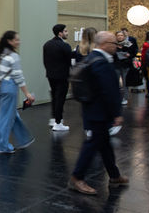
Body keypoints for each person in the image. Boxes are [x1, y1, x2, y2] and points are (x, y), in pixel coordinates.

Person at [68, 31, 128, 195]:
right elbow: (109, 90)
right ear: (104, 44)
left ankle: (114, 176)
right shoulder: (101, 62)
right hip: (99, 111)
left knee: (104, 144)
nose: (116, 46)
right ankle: (77, 177)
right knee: (93, 144)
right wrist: (116, 113)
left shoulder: (91, 58)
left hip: (92, 109)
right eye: (113, 43)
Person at [0, 31, 35, 154]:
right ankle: (2, 146)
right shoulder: (13, 56)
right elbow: (18, 76)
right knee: (6, 117)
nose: (19, 42)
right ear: (9, 41)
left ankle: (23, 139)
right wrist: (27, 93)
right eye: (16, 40)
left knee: (10, 115)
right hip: (8, 87)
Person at [43, 24, 72, 131]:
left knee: (55, 96)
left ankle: (54, 118)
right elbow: (69, 61)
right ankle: (58, 122)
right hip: (62, 76)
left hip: (51, 75)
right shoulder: (65, 46)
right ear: (60, 33)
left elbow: (45, 61)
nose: (67, 33)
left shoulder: (47, 44)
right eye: (65, 31)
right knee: (60, 98)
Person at [115, 30, 135, 106]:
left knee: (125, 82)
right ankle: (116, 97)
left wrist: (129, 55)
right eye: (118, 35)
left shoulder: (129, 44)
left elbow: (133, 53)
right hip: (116, 65)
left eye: (121, 35)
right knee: (115, 81)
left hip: (125, 65)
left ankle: (125, 98)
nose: (120, 37)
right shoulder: (113, 44)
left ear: (124, 36)